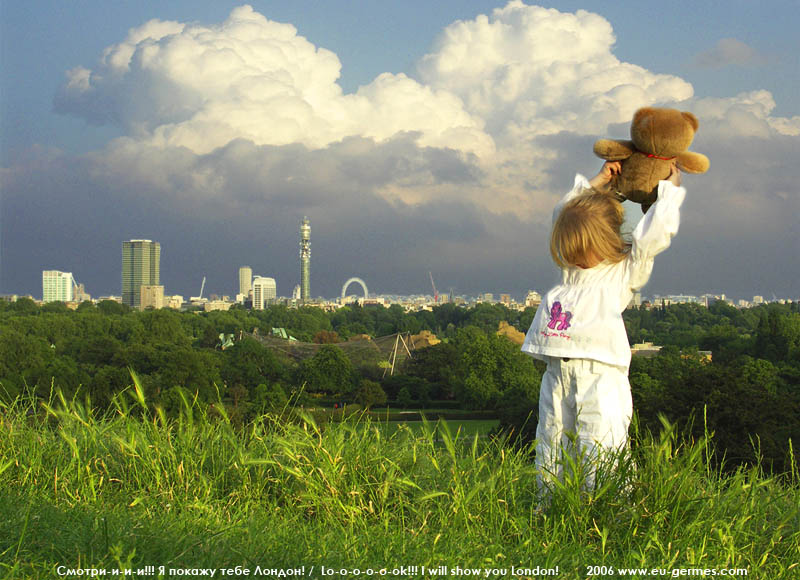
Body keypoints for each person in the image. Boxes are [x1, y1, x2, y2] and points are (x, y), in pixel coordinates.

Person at [521, 160, 686, 494]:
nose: (577, 258)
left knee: (602, 443)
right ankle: (552, 507)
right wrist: (597, 182)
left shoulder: (622, 272)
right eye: (570, 250)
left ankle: (611, 510)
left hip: (600, 377)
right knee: (551, 443)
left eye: (584, 250)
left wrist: (669, 191)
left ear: (607, 241)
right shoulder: (570, 272)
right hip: (557, 376)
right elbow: (563, 212)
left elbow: (652, 237)